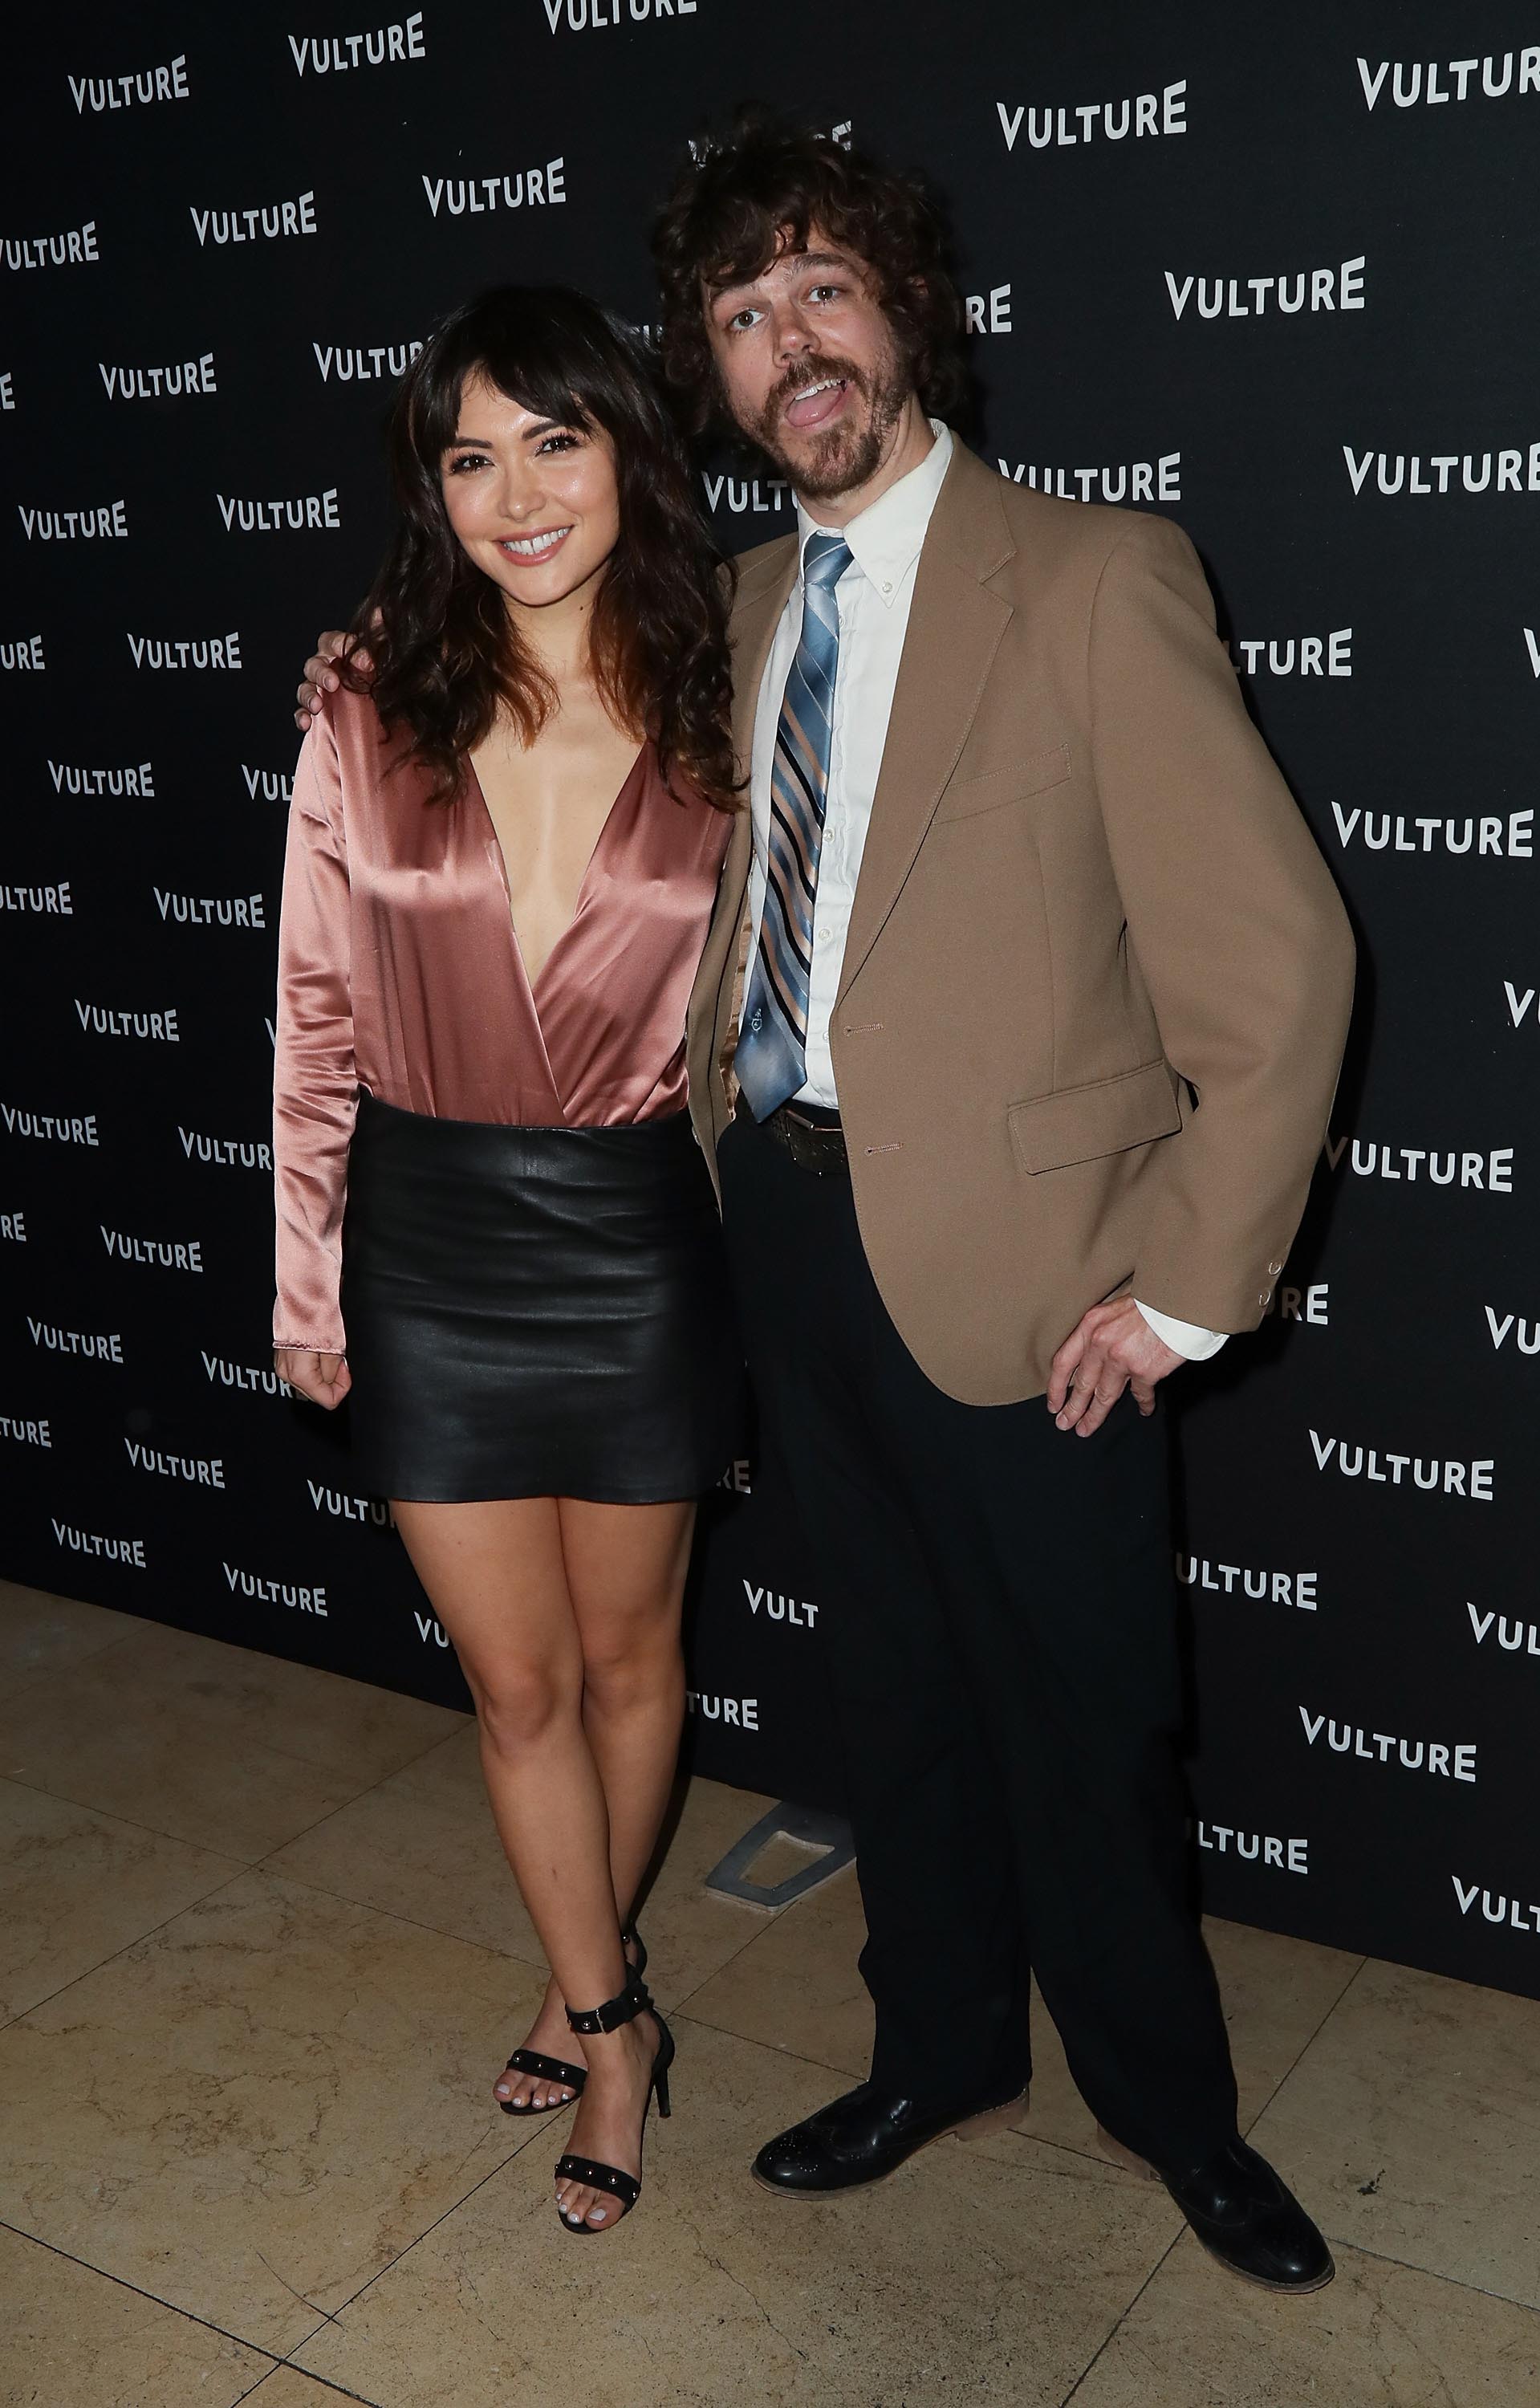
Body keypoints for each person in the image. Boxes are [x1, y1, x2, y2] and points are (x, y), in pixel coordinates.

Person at [298, 122, 1355, 2297]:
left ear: (905, 311)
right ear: (707, 370)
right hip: (769, 1242)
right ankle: (935, 2049)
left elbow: (1281, 964)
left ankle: (1175, 2113)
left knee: (1084, 1717)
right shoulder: (730, 617)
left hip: (1034, 1268)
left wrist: (1177, 1297)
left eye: (823, 293)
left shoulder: (1089, 574)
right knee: (896, 1703)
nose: (792, 344)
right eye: (742, 314)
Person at [274, 285, 744, 2236]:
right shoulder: (367, 702)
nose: (518, 492)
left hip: (638, 1230)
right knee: (516, 1681)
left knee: (635, 1661)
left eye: (554, 438)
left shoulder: (740, 690)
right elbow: (313, 1009)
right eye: (471, 456)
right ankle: (621, 2023)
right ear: (432, 492)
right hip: (433, 1238)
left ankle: (575, 1975)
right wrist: (308, 1282)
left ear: (629, 444)